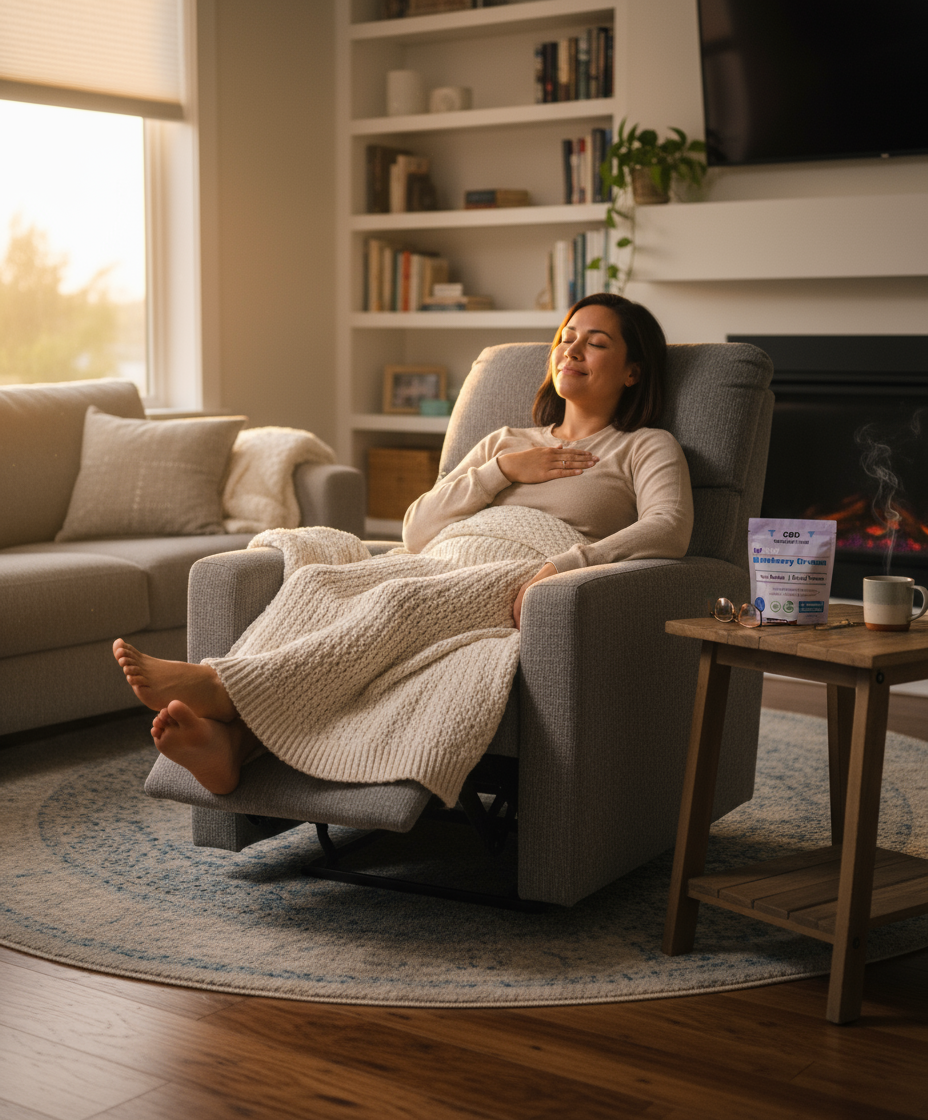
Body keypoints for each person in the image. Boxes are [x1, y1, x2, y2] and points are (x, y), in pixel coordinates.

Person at [113, 293, 693, 799]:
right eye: (566, 339)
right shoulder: (504, 442)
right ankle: (231, 748)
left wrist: (564, 566)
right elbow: (417, 528)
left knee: (400, 605)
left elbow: (670, 527)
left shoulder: (642, 446)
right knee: (319, 582)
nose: (571, 350)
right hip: (443, 555)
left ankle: (221, 685)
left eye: (595, 344)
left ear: (633, 372)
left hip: (521, 572)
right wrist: (500, 470)